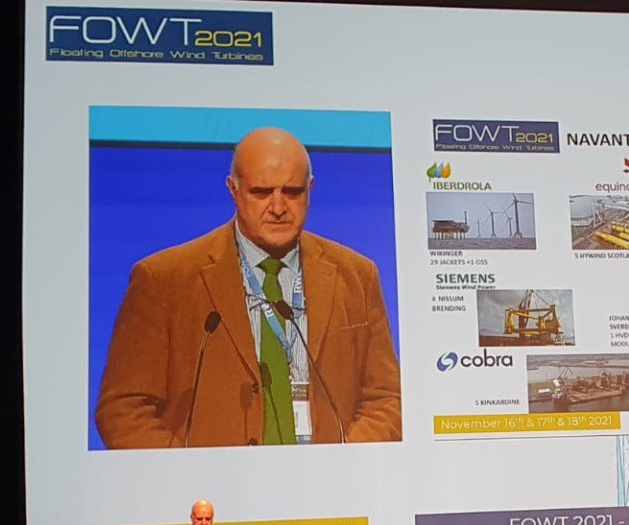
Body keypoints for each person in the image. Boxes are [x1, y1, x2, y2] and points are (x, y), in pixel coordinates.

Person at [95, 126, 402, 449]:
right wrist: (190, 471)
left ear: (310, 188)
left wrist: (344, 464)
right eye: (261, 192)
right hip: (210, 480)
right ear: (233, 190)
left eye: (292, 192)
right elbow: (123, 410)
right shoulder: (164, 279)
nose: (278, 208)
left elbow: (386, 398)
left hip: (331, 478)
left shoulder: (357, 276)